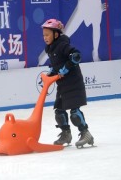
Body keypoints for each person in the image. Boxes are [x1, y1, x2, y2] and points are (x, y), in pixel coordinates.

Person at [42, 18, 94, 148]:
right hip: (62, 85)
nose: (45, 37)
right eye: (44, 35)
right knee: (59, 112)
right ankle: (66, 134)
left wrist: (66, 67)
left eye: (47, 35)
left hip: (74, 83)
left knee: (74, 113)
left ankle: (86, 133)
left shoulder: (62, 45)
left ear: (56, 34)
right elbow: (56, 65)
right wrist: (52, 73)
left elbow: (76, 55)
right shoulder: (50, 48)